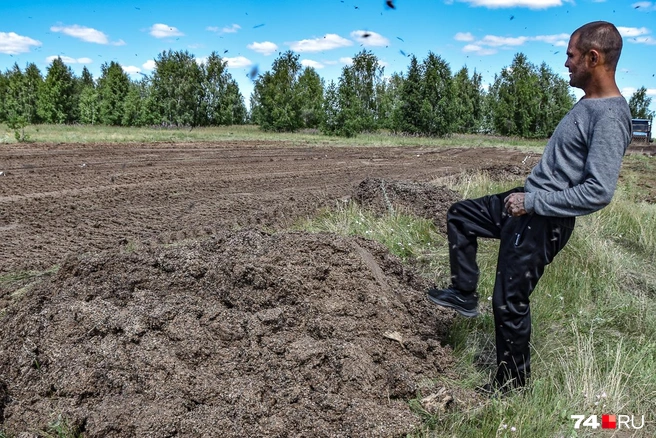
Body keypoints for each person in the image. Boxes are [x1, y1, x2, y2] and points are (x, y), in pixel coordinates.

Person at [426, 21, 632, 394]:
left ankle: (512, 389)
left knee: (509, 303)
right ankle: (463, 292)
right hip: (527, 203)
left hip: (542, 219)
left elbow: (598, 192)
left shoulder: (610, 117)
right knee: (461, 214)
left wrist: (533, 201)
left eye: (571, 56)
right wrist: (528, 197)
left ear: (593, 57)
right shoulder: (589, 103)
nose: (566, 63)